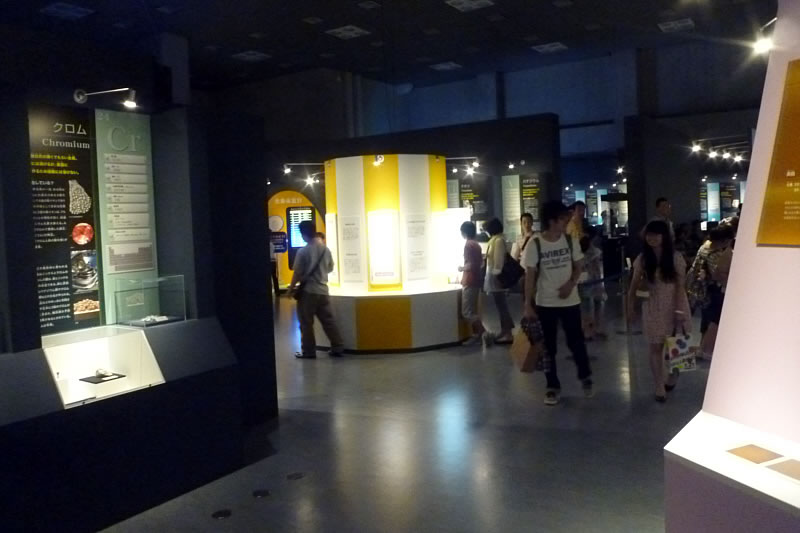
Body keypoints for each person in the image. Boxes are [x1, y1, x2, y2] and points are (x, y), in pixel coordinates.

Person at [523, 201, 593, 406]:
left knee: (576, 341)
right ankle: (552, 386)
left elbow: (579, 265)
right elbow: (530, 275)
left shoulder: (570, 241)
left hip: (570, 301)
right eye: (563, 219)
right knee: (548, 347)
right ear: (552, 221)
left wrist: (570, 284)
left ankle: (585, 375)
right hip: (545, 302)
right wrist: (527, 304)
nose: (566, 222)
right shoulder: (535, 244)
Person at [627, 220, 690, 402]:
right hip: (653, 306)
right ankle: (659, 385)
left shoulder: (675, 258)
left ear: (664, 236)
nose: (652, 238)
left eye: (656, 234)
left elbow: (680, 286)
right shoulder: (643, 259)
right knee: (655, 347)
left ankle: (673, 377)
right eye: (649, 235)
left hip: (675, 304)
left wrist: (679, 310)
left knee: (679, 347)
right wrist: (630, 307)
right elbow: (633, 285)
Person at [288, 221, 344, 359]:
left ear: (303, 234)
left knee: (306, 323)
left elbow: (297, 273)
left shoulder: (303, 251)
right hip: (323, 291)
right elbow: (330, 268)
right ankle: (337, 347)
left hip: (308, 292)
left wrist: (291, 289)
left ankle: (309, 351)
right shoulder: (326, 250)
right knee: (328, 321)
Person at [688, 225, 734, 360]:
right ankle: (705, 349)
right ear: (725, 240)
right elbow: (717, 274)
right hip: (712, 290)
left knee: (707, 319)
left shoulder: (704, 247)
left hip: (700, 289)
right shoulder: (719, 253)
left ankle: (702, 348)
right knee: (713, 320)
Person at [484, 218, 514, 344]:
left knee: (502, 306)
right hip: (494, 277)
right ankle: (505, 330)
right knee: (500, 305)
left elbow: (499, 261)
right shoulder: (496, 240)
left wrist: (497, 276)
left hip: (497, 278)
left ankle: (508, 333)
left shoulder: (498, 241)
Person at [458, 221, 486, 345]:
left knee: (467, 312)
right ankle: (476, 335)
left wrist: (461, 268)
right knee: (472, 310)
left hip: (469, 280)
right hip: (476, 280)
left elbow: (471, 264)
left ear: (464, 232)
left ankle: (484, 332)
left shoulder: (468, 245)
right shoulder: (476, 245)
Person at [578, 228, 607, 341]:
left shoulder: (580, 253)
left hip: (585, 282)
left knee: (586, 307)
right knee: (596, 306)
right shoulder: (594, 252)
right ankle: (595, 329)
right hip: (594, 282)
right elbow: (597, 268)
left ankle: (587, 330)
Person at [268, 231, 280, 298]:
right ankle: (277, 292)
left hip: (269, 261)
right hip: (273, 261)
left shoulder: (267, 244)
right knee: (274, 277)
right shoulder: (272, 244)